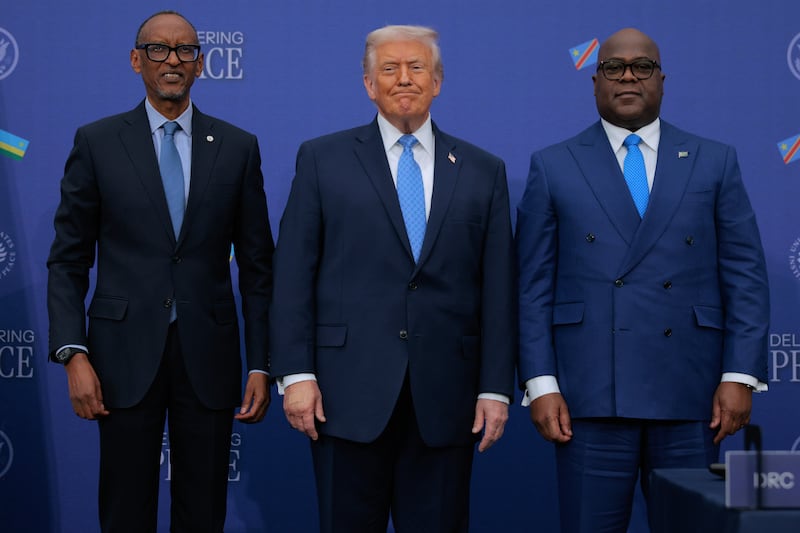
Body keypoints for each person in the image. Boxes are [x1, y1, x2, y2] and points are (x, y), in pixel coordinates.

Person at [516, 27, 769, 532]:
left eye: (642, 66)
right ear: (594, 81)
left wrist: (739, 376)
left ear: (662, 79)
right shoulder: (553, 165)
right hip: (588, 396)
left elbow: (744, 275)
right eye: (613, 67)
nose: (627, 76)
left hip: (690, 393)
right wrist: (540, 384)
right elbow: (531, 287)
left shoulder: (714, 161)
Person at [269, 24, 516, 533]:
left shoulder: (482, 170)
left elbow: (498, 290)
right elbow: (293, 274)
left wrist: (495, 387)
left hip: (447, 399)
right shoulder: (322, 159)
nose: (404, 79)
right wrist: (296, 375)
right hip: (343, 397)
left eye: (417, 67)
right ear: (368, 84)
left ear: (438, 81)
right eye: (389, 69)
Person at [46, 11, 273, 532]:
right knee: (125, 510)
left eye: (185, 51)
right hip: (120, 358)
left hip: (209, 359)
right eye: (158, 50)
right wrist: (72, 351)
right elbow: (68, 258)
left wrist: (261, 362)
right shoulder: (98, 142)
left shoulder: (238, 148)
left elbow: (259, 269)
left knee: (203, 511)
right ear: (135, 60)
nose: (172, 60)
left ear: (199, 64)